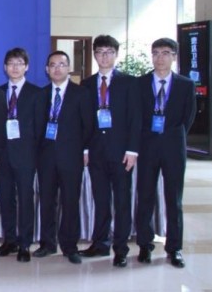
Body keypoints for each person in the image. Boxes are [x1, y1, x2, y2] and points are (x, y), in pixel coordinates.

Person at [79, 35, 140, 268]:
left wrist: (132, 150)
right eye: (100, 52)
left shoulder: (129, 83)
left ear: (116, 54)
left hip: (121, 153)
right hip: (96, 152)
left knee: (122, 201)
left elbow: (135, 119)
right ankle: (100, 243)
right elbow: (84, 121)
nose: (104, 56)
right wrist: (85, 148)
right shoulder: (86, 84)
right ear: (94, 54)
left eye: (109, 52)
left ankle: (121, 249)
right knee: (101, 200)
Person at [135, 38, 196, 268]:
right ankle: (145, 244)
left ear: (174, 57)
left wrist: (171, 137)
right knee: (145, 196)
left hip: (173, 148)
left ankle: (174, 248)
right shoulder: (140, 83)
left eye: (165, 53)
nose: (160, 58)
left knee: (174, 199)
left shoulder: (185, 85)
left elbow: (188, 118)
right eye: (156, 53)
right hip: (147, 147)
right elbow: (136, 116)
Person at [34, 51, 93, 264]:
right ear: (46, 69)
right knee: (47, 202)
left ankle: (70, 246)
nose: (57, 68)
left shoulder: (81, 93)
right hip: (46, 157)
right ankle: (47, 244)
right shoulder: (40, 94)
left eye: (61, 64)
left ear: (68, 68)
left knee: (70, 202)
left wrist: (85, 150)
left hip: (72, 156)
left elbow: (88, 126)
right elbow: (36, 128)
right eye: (53, 65)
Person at [0, 48, 43, 263]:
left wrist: (36, 156)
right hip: (2, 156)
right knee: (6, 200)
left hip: (26, 156)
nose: (14, 67)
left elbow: (39, 128)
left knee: (25, 200)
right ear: (5, 67)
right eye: (11, 63)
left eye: (19, 63)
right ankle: (9, 240)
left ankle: (25, 243)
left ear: (26, 67)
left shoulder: (36, 93)